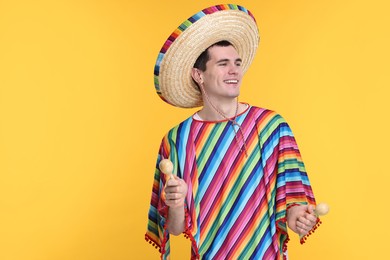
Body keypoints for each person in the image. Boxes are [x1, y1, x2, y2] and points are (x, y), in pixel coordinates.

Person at [145, 4, 321, 260]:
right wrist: (175, 203)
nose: (235, 70)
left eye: (237, 63)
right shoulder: (177, 140)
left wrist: (298, 219)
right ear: (198, 74)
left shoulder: (272, 127)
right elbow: (175, 228)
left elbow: (293, 206)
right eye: (223, 63)